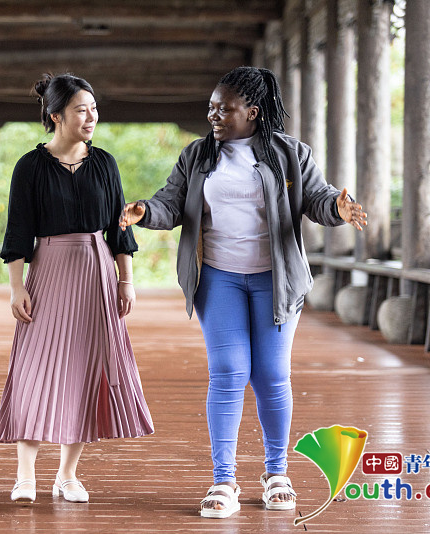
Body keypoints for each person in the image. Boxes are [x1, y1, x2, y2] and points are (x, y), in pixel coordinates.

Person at [119, 66, 367, 519]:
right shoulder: (197, 155)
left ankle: (277, 473)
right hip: (219, 278)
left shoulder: (290, 153)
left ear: (252, 111)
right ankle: (223, 480)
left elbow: (317, 198)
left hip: (276, 278)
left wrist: (338, 208)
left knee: (271, 375)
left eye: (224, 108)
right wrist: (144, 211)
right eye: (211, 108)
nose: (213, 115)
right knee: (229, 372)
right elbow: (170, 203)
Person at [0, 73, 154, 504]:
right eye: (82, 109)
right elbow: (18, 231)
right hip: (48, 271)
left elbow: (120, 228)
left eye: (94, 109)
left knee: (86, 371)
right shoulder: (30, 166)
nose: (91, 116)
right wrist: (16, 287)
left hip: (97, 273)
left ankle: (67, 475)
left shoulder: (105, 164)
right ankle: (25, 474)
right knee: (34, 370)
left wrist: (126, 280)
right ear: (56, 115)